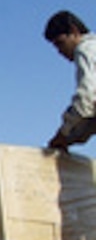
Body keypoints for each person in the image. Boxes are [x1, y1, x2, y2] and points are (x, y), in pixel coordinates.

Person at [45, 10, 96, 150]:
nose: (60, 51)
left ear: (74, 31)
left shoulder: (85, 49)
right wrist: (68, 138)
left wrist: (63, 133)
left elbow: (86, 99)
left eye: (60, 43)